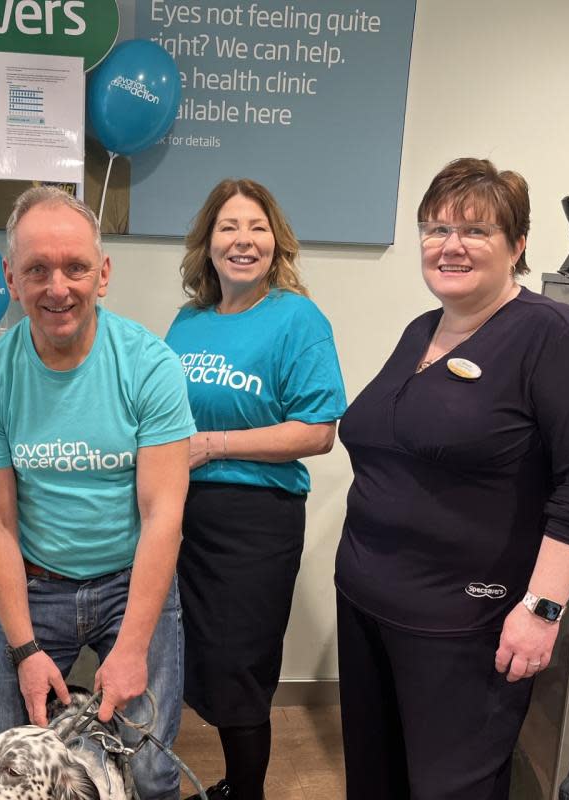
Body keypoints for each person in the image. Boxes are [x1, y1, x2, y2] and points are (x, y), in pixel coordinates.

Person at [335, 157, 569, 799]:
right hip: (366, 602)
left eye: (476, 231)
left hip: (463, 623)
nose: (450, 246)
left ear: (517, 245)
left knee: (450, 787)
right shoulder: (421, 330)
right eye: (435, 229)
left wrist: (542, 610)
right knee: (376, 780)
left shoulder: (555, 336)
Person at [0, 186, 194, 799]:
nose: (57, 287)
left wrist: (134, 644)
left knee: (148, 768)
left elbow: (163, 512)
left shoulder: (149, 364)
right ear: (12, 278)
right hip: (39, 584)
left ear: (104, 273)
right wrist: (25, 649)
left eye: (75, 267)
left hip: (130, 579)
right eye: (37, 269)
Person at [164, 179, 346, 800]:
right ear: (207, 245)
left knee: (240, 666)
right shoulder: (187, 323)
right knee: (188, 659)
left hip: (256, 519)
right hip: (183, 516)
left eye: (257, 228)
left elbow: (318, 432)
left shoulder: (297, 318)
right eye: (228, 228)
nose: (244, 241)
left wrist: (214, 445)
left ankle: (247, 793)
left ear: (277, 242)